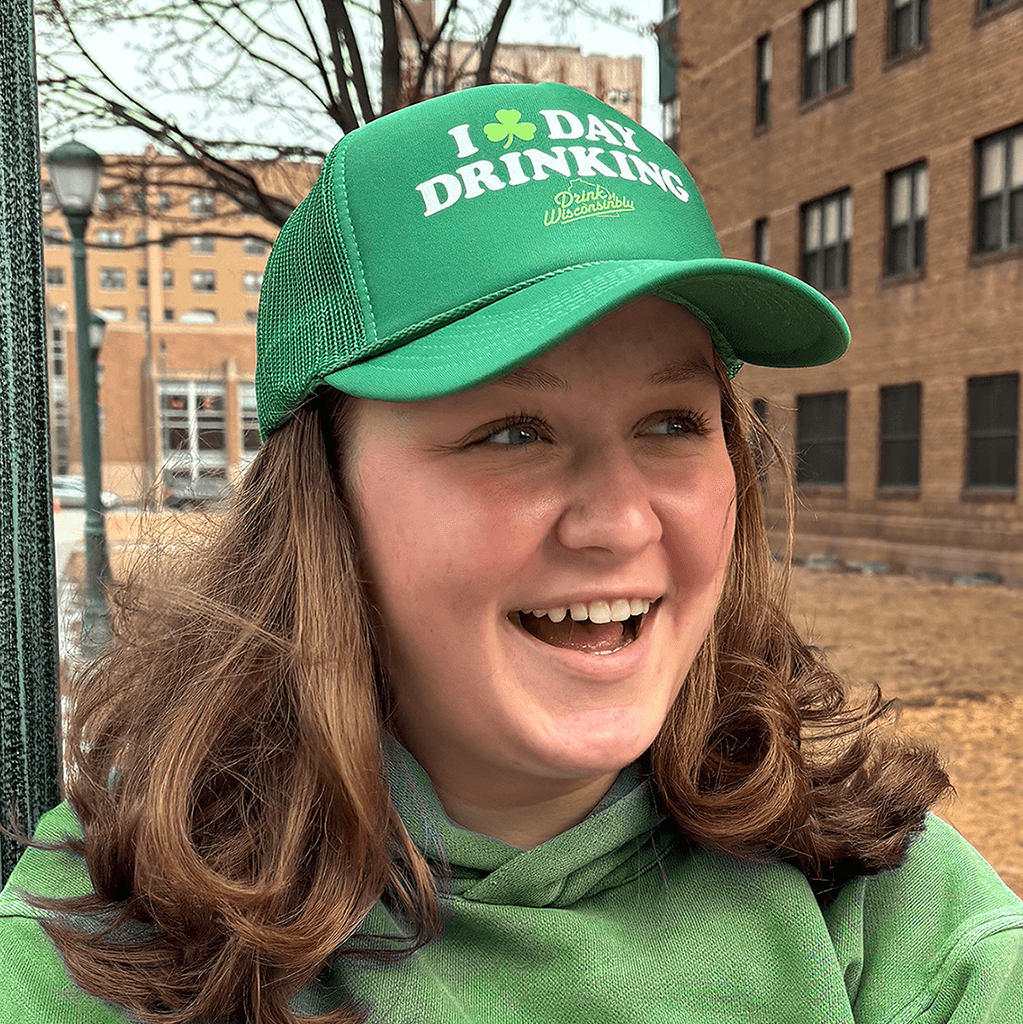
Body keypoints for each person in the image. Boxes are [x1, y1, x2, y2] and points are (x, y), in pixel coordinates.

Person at [2, 82, 1022, 1024]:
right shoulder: (108, 935)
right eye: (512, 432)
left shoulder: (893, 919)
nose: (621, 523)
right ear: (325, 499)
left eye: (672, 421)